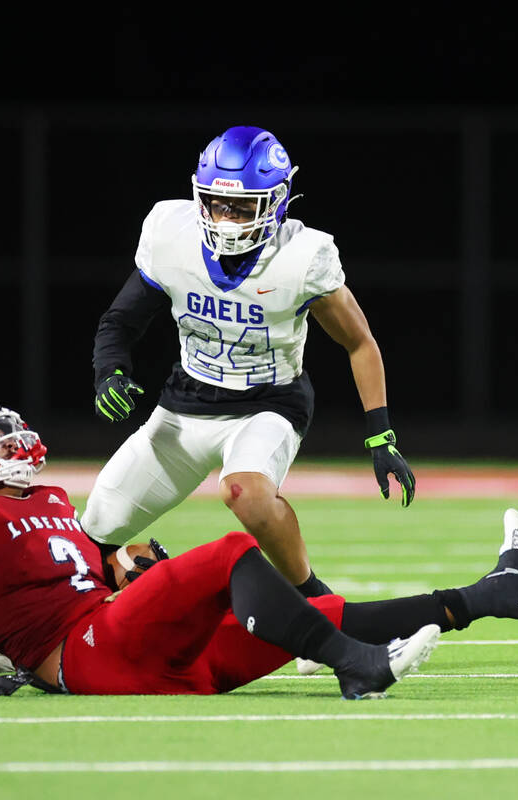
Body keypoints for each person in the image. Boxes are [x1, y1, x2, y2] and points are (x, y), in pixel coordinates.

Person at [0, 400, 518, 697]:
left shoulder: (47, 501)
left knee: (321, 614)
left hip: (140, 651)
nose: (13, 448)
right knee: (233, 549)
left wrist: (134, 572)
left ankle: (495, 593)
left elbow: (78, 577)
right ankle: (358, 665)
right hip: (88, 656)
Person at [84, 125, 415, 596]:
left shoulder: (302, 257)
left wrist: (381, 434)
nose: (226, 219)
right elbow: (120, 321)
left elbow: (359, 342)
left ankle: (315, 601)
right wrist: (109, 373)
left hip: (269, 403)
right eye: (218, 204)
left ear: (277, 202)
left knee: (245, 492)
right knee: (91, 534)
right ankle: (50, 641)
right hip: (185, 406)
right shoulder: (171, 235)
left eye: (242, 207)